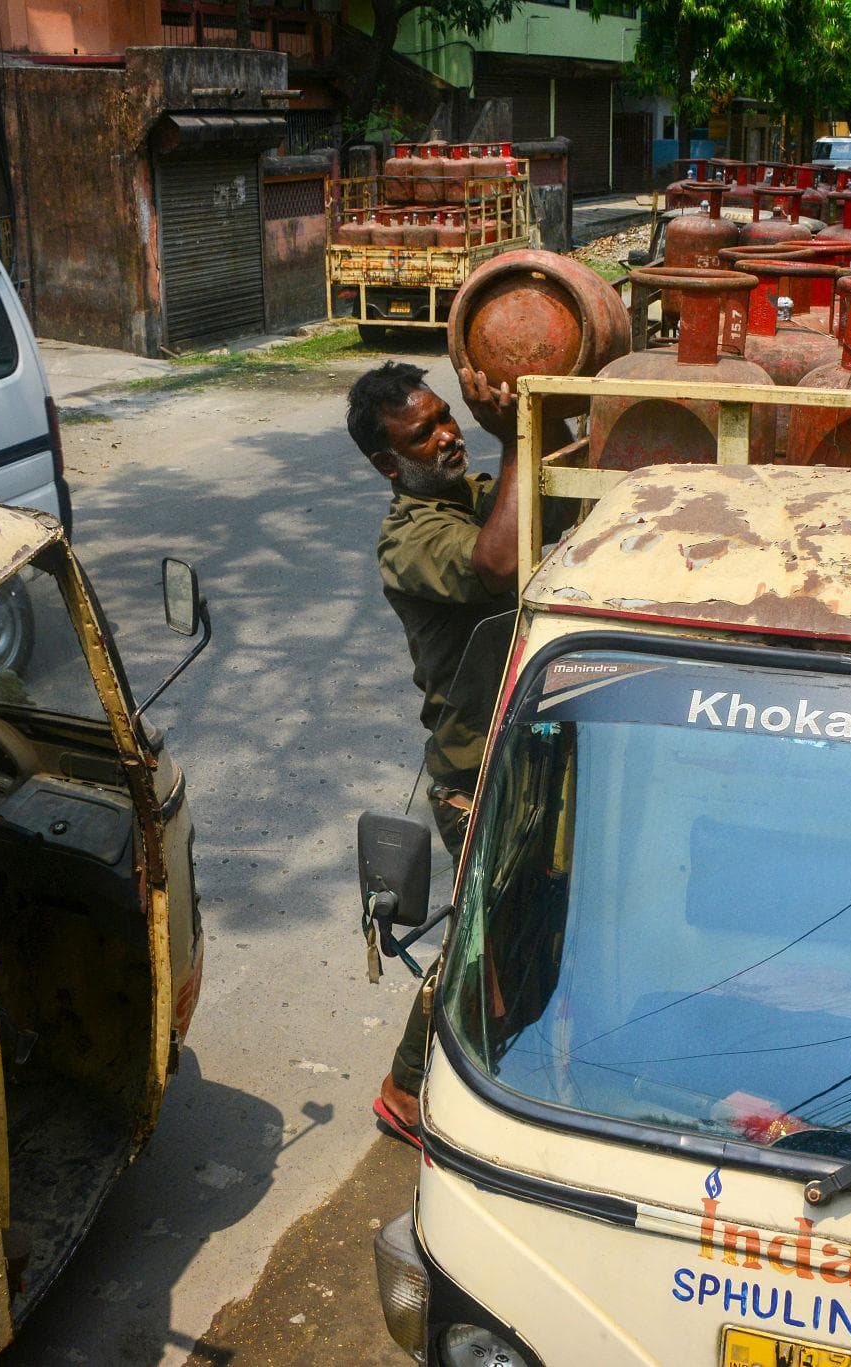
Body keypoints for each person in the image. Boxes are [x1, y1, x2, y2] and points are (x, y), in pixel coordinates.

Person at [348, 359, 531, 1148]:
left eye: (446, 416)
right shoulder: (408, 537)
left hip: (521, 747)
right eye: (425, 433)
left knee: (525, 925)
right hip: (472, 773)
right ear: (392, 463)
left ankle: (500, 1068)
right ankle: (405, 1087)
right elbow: (495, 564)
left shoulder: (467, 493)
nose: (448, 434)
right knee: (476, 947)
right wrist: (523, 432)